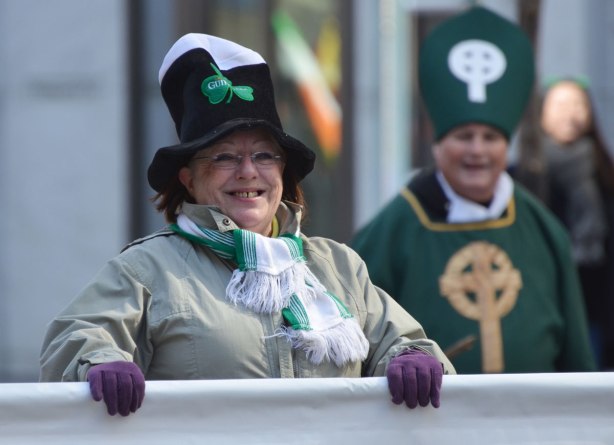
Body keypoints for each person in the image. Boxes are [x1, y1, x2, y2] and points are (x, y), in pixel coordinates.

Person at [39, 33, 455, 416]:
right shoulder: (146, 269)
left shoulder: (338, 266)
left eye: (264, 155)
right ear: (188, 180)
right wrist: (101, 362)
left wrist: (411, 357)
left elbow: (403, 341)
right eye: (223, 157)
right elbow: (76, 339)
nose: (247, 172)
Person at [351, 6, 597, 374]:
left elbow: (577, 361)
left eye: (491, 138)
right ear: (436, 145)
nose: (477, 151)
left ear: (506, 146)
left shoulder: (544, 233)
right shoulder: (387, 235)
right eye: (464, 136)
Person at [523, 78, 614, 369]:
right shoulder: (525, 177)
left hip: (598, 306)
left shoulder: (604, 173)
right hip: (546, 305)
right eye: (561, 104)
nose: (570, 114)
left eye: (578, 105)